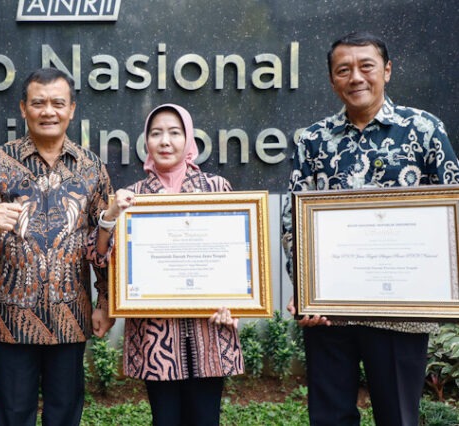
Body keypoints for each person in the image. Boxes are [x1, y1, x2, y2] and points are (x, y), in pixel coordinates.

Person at [281, 32, 459, 426]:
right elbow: (292, 218)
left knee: (397, 417)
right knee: (329, 418)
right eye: (344, 70)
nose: (356, 77)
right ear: (332, 80)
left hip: (401, 309)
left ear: (387, 71)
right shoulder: (313, 140)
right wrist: (305, 290)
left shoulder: (424, 129)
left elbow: (452, 209)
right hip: (329, 313)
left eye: (367, 67)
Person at [0, 68, 114, 426]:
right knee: (13, 415)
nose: (48, 111)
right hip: (12, 317)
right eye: (38, 103)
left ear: (71, 109)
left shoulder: (91, 167)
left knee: (65, 413)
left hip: (70, 314)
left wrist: (105, 301)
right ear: (23, 108)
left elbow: (104, 242)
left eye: (57, 103)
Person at [97, 104, 244, 426]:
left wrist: (236, 302)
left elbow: (237, 257)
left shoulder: (216, 188)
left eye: (175, 133)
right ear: (146, 141)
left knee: (206, 419)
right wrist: (110, 217)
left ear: (189, 139)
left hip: (210, 333)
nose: (165, 141)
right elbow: (103, 258)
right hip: (156, 338)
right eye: (156, 133)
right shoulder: (133, 197)